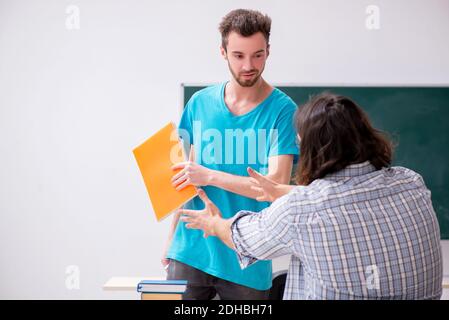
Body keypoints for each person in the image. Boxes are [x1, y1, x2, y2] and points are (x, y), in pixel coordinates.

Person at [180, 92, 443, 300]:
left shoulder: (300, 211)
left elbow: (241, 238)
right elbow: (349, 194)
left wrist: (213, 222)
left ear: (313, 150)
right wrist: (286, 191)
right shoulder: (411, 182)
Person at [163, 9, 300, 300]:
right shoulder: (199, 103)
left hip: (247, 256)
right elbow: (186, 176)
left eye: (258, 55)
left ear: (268, 51)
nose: (249, 65)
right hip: (190, 249)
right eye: (239, 55)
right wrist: (171, 240)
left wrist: (210, 175)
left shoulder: (283, 111)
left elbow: (273, 187)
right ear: (223, 52)